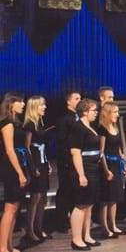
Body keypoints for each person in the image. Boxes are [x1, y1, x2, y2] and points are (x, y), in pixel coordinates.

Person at [69, 98, 101, 251]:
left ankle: (86, 235)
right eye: (94, 110)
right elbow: (75, 153)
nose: (96, 113)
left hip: (94, 169)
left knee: (89, 204)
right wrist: (81, 175)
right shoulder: (78, 128)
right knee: (81, 204)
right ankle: (76, 239)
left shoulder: (90, 126)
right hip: (85, 169)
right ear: (85, 111)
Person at [0, 94, 28, 252]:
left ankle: (9, 245)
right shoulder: (7, 123)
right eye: (20, 101)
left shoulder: (16, 122)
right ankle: (3, 247)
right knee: (10, 207)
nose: (23, 104)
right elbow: (9, 150)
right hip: (11, 168)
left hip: (18, 165)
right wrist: (20, 173)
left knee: (15, 207)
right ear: (11, 104)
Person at [23, 96, 52, 245]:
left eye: (44, 104)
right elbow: (27, 147)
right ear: (34, 107)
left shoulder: (40, 123)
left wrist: (47, 163)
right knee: (36, 197)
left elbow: (43, 145)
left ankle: (39, 228)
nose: (44, 107)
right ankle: (30, 230)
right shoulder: (29, 124)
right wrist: (32, 166)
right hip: (35, 162)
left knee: (43, 197)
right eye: (41, 105)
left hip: (43, 161)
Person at [97, 102, 126, 239]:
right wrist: (106, 170)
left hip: (117, 163)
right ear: (108, 113)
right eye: (115, 112)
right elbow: (101, 151)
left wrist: (124, 165)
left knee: (114, 197)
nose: (117, 114)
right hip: (108, 165)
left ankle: (113, 224)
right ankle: (104, 227)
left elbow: (118, 148)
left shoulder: (115, 127)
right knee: (106, 198)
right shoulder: (102, 129)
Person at [55, 90, 81, 233]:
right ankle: (61, 221)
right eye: (76, 99)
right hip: (67, 161)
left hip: (78, 160)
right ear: (68, 102)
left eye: (80, 98)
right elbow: (62, 141)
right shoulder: (64, 119)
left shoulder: (80, 117)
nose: (79, 101)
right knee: (65, 190)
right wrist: (67, 160)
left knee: (75, 190)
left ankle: (74, 218)